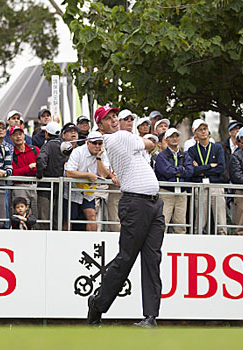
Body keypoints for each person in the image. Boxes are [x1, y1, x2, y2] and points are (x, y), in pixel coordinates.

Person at [87, 105, 165, 329]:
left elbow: (150, 142)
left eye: (114, 117)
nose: (113, 120)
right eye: (108, 118)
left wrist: (149, 140)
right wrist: (149, 140)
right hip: (135, 204)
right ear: (100, 125)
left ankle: (150, 317)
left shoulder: (126, 137)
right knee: (126, 259)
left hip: (153, 203)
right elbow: (151, 143)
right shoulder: (118, 137)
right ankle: (98, 304)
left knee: (153, 259)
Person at [65, 131, 112, 232]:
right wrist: (87, 175)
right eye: (94, 143)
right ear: (88, 143)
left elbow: (103, 174)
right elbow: (69, 172)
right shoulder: (78, 151)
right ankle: (66, 244)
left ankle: (91, 242)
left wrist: (99, 158)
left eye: (100, 143)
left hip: (89, 192)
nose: (97, 146)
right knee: (69, 219)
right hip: (72, 190)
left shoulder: (103, 154)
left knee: (91, 215)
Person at [188, 119, 227, 234]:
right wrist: (210, 165)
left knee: (221, 221)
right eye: (200, 130)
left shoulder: (218, 148)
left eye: (205, 129)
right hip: (200, 187)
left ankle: (223, 242)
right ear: (195, 133)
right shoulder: (192, 150)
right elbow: (192, 171)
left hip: (216, 186)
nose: (204, 132)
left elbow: (221, 168)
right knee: (200, 222)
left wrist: (201, 169)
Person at [154, 128, 193, 234]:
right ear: (166, 139)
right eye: (171, 136)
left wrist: (175, 171)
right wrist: (181, 169)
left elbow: (190, 171)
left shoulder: (185, 154)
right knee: (163, 223)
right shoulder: (161, 156)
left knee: (180, 224)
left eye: (176, 136)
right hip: (166, 192)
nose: (175, 139)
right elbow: (166, 171)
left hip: (181, 193)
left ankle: (180, 248)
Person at [35, 121, 68, 230]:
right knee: (56, 221)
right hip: (61, 189)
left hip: (46, 188)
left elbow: (40, 161)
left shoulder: (47, 146)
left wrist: (39, 175)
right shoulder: (65, 145)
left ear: (47, 134)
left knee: (44, 220)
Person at [10, 125, 39, 219]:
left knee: (36, 216)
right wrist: (29, 167)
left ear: (24, 135)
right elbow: (13, 172)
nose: (18, 137)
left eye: (20, 134)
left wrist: (25, 170)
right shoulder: (11, 153)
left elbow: (40, 168)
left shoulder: (34, 150)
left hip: (35, 185)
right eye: (15, 135)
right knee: (19, 216)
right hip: (19, 186)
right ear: (11, 137)